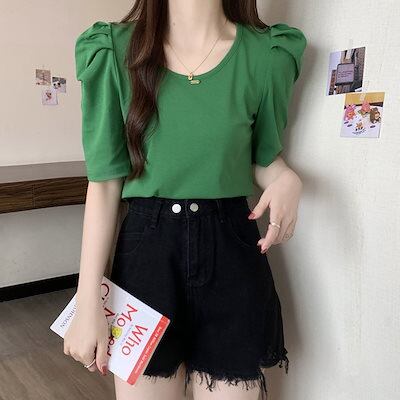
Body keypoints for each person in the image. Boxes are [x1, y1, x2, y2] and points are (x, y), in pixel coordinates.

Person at [63, 1, 307, 399]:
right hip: (146, 262)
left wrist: (285, 178)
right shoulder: (113, 51)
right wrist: (87, 300)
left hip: (233, 257)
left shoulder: (267, 55)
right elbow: (105, 184)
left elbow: (262, 157)